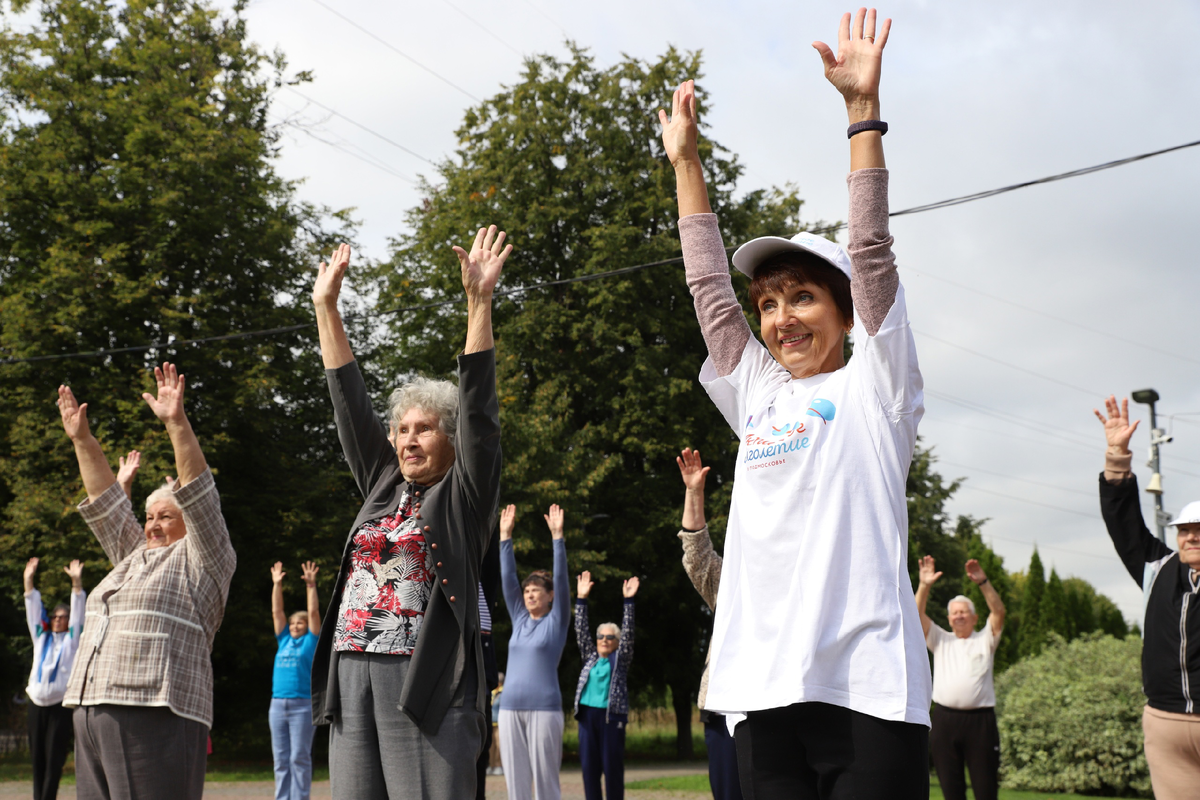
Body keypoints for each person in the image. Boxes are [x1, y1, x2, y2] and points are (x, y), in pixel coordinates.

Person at [660, 9, 930, 797]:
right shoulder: (760, 396)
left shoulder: (877, 386)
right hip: (764, 693)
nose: (781, 318)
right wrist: (686, 164)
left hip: (869, 694)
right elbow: (711, 290)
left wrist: (860, 115)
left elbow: (872, 254)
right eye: (771, 303)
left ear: (846, 315)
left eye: (804, 297)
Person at [309, 231, 506, 800]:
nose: (408, 439)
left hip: (426, 678)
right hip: (351, 675)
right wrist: (327, 309)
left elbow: (480, 413)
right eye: (401, 429)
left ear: (450, 438)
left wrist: (478, 304)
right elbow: (348, 405)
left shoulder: (465, 493)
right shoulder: (383, 484)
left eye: (424, 428)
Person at [56, 364, 237, 800]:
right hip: (90, 709)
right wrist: (83, 440)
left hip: (156, 711)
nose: (152, 525)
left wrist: (177, 423)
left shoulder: (204, 559)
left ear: (189, 523)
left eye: (166, 516)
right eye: (149, 516)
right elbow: (106, 502)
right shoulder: (132, 557)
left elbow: (199, 492)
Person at [1095, 395, 1200, 799]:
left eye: (1199, 530)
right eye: (1184, 529)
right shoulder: (1157, 568)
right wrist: (1117, 456)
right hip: (1166, 725)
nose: (1190, 536)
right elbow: (1123, 522)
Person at [674, 448, 743, 800]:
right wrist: (693, 492)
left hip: (777, 710)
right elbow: (697, 552)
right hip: (723, 709)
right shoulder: (731, 581)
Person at [915, 556, 1006, 800]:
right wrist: (924, 585)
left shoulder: (985, 640)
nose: (959, 616)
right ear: (948, 619)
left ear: (975, 618)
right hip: (945, 722)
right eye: (954, 613)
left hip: (981, 722)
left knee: (986, 790)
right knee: (951, 791)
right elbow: (915, 615)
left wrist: (983, 582)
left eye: (964, 612)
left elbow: (998, 611)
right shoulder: (940, 639)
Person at [498, 503, 570, 800]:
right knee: (516, 785)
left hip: (545, 709)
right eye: (526, 591)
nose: (528, 594)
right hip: (509, 709)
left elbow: (563, 581)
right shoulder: (519, 618)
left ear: (550, 596)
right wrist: (505, 536)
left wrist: (557, 537)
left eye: (535, 590)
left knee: (545, 782)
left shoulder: (556, 620)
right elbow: (507, 579)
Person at [23, 557, 86, 800]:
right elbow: (33, 612)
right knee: (37, 757)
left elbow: (79, 615)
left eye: (63, 616)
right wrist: (29, 581)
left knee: (54, 758)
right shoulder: (41, 637)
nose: (59, 619)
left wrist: (76, 584)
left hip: (60, 705)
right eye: (56, 616)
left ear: (69, 622)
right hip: (36, 703)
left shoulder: (72, 642)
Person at [572, 571, 638, 800]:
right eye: (600, 636)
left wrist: (628, 601)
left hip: (612, 718)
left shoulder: (619, 660)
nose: (603, 639)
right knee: (589, 770)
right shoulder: (590, 657)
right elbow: (580, 630)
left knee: (612, 769)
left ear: (617, 642)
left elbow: (628, 633)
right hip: (588, 717)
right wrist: (581, 599)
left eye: (609, 637)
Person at [270, 560, 322, 800]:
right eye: (292, 623)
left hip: (302, 705)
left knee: (298, 757)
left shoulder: (310, 642)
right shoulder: (283, 640)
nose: (294, 625)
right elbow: (276, 612)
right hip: (277, 705)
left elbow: (313, 612)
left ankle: (300, 798)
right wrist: (277, 584)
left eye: (299, 622)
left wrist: (311, 585)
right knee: (281, 759)